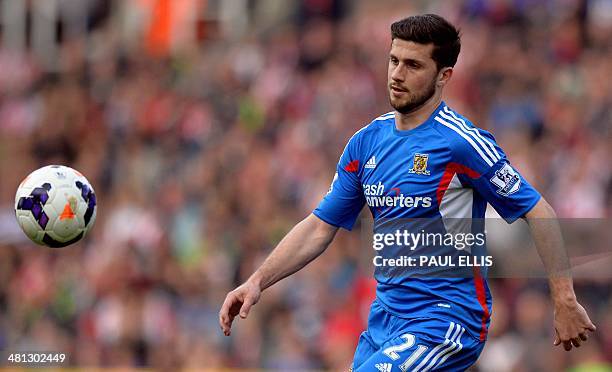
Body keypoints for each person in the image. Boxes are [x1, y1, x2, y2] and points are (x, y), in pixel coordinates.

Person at [219, 14, 596, 371]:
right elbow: (320, 227)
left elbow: (538, 210)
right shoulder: (366, 143)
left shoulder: (460, 143)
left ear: (444, 75)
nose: (397, 75)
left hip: (446, 320)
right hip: (385, 322)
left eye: (413, 65)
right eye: (393, 61)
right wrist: (256, 282)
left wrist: (563, 299)